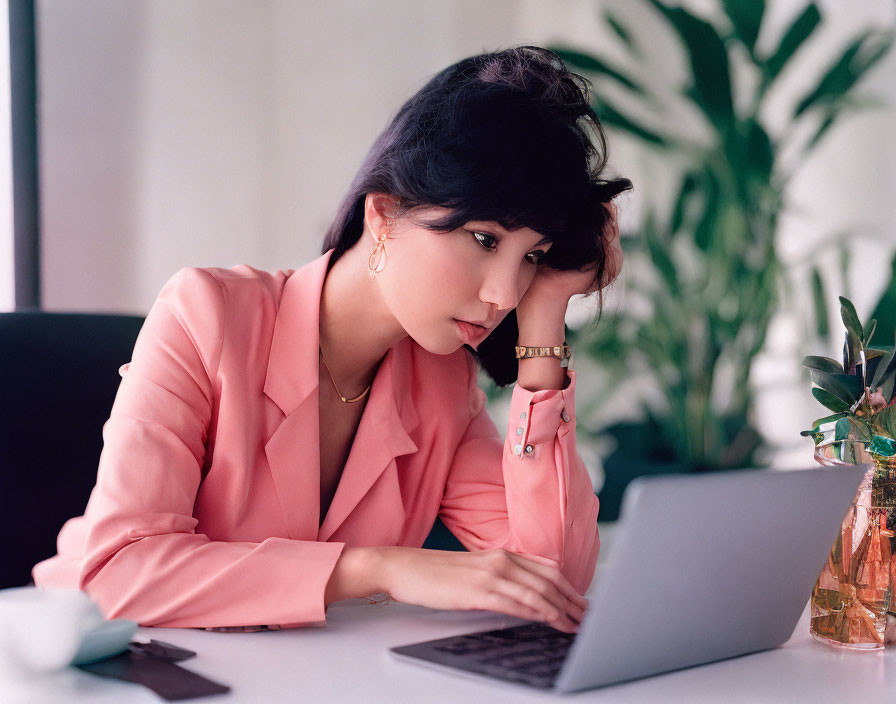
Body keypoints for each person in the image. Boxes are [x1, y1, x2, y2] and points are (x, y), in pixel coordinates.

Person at [32, 45, 633, 634]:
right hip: (98, 663)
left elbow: (551, 575)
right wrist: (378, 569)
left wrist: (547, 311)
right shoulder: (206, 314)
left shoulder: (442, 379)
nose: (506, 293)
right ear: (383, 214)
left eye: (532, 256)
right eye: (483, 240)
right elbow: (119, 572)